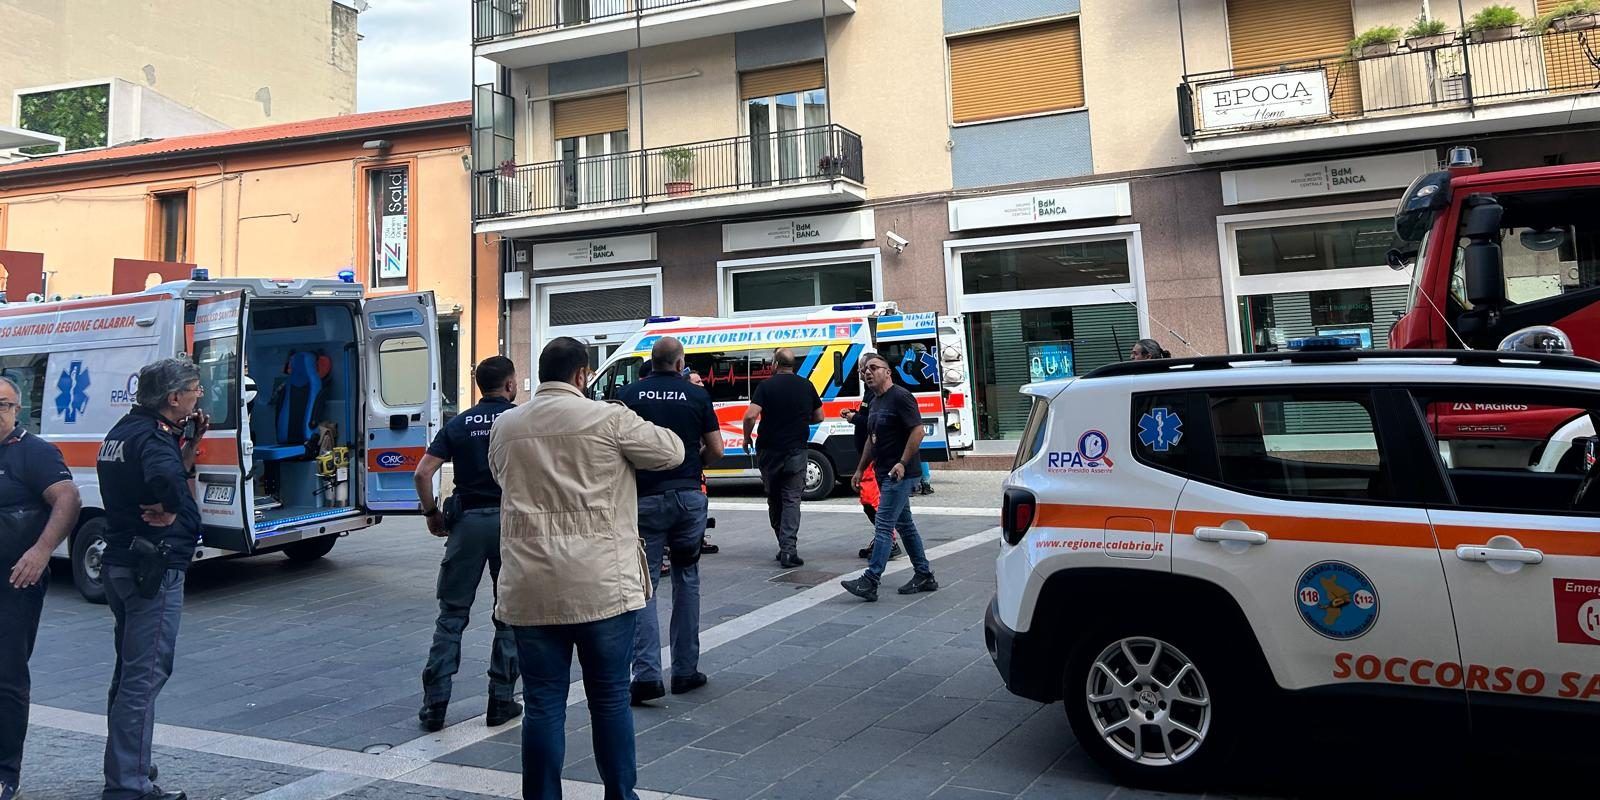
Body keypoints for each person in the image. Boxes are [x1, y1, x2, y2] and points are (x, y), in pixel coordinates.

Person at [489, 336, 684, 800]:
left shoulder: (506, 425)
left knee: (542, 704)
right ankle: (620, 795)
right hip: (601, 585)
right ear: (582, 376)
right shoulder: (609, 418)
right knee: (611, 698)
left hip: (530, 585)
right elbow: (672, 451)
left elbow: (501, 475)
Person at [97, 357, 209, 800]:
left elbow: (161, 470)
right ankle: (129, 784)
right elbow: (167, 479)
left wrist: (191, 441)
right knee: (144, 677)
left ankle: (131, 762)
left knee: (128, 672)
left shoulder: (122, 432)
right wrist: (173, 508)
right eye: (194, 389)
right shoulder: (155, 440)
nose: (199, 395)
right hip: (154, 567)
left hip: (122, 562)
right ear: (173, 398)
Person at [412, 356, 522, 733]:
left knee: (451, 616)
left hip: (468, 525)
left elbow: (423, 472)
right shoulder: (518, 421)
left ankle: (434, 706)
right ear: (509, 386)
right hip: (511, 525)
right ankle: (501, 701)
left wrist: (431, 514)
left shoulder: (459, 423)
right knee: (508, 614)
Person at [617, 337, 722, 706]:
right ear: (680, 365)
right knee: (686, 578)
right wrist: (694, 465)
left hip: (644, 499)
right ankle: (684, 670)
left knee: (644, 584)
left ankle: (645, 675)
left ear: (652, 362)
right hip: (689, 496)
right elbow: (718, 449)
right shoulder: (696, 396)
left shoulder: (630, 395)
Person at [0, 377, 82, 800]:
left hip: (14, 581)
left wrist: (41, 551)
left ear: (17, 410)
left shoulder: (34, 452)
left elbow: (68, 499)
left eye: (2, 405)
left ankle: (4, 771)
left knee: (7, 676)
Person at [841, 353, 938, 603]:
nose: (868, 373)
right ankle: (925, 575)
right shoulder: (875, 402)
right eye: (864, 371)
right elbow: (871, 441)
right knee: (905, 525)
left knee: (884, 525)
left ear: (888, 372)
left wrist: (903, 462)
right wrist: (861, 470)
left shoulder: (901, 397)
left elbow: (918, 431)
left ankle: (871, 580)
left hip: (900, 473)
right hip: (884, 471)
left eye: (873, 368)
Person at [741, 348, 822, 568]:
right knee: (792, 500)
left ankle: (783, 544)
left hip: (769, 451)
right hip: (796, 449)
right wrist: (799, 420)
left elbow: (750, 415)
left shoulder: (766, 386)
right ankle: (789, 550)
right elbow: (819, 416)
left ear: (775, 364)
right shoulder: (806, 385)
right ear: (792, 365)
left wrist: (746, 437)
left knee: (774, 499)